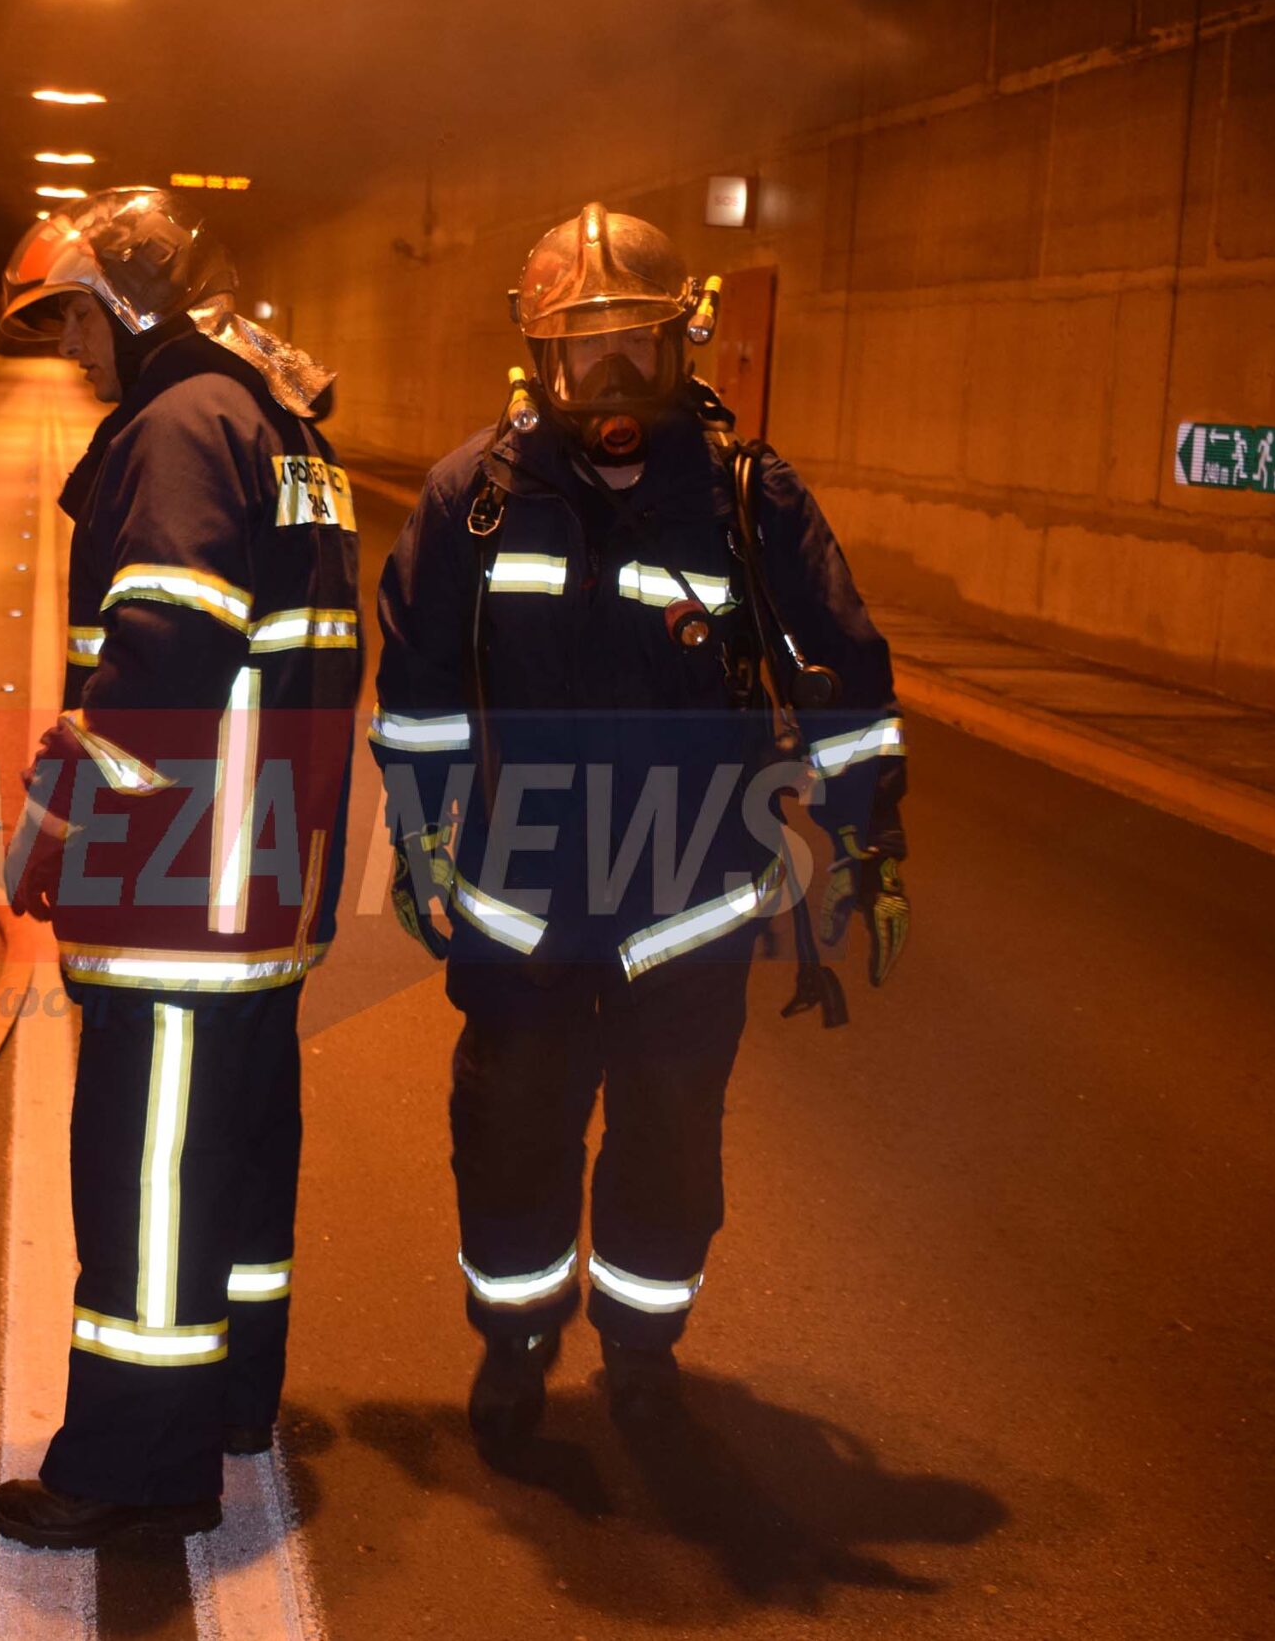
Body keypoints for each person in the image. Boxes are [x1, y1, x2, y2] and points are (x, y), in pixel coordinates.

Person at [369, 203, 910, 1442]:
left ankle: (641, 1352)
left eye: (634, 348)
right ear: (535, 356)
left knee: (669, 1144)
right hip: (523, 907)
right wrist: (419, 836)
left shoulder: (743, 500)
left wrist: (869, 836)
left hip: (692, 900)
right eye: (581, 351)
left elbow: (841, 679)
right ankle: (513, 1343)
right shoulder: (475, 501)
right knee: (512, 1137)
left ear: (687, 346)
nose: (607, 380)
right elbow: (417, 694)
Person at [0, 188, 362, 1546]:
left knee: (150, 1179)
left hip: (181, 890)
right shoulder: (278, 425)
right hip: (267, 886)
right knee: (242, 1167)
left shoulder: (181, 427)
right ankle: (231, 1397)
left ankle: (137, 1462)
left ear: (131, 302)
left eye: (77, 319)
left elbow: (166, 655)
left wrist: (59, 816)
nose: (74, 352)